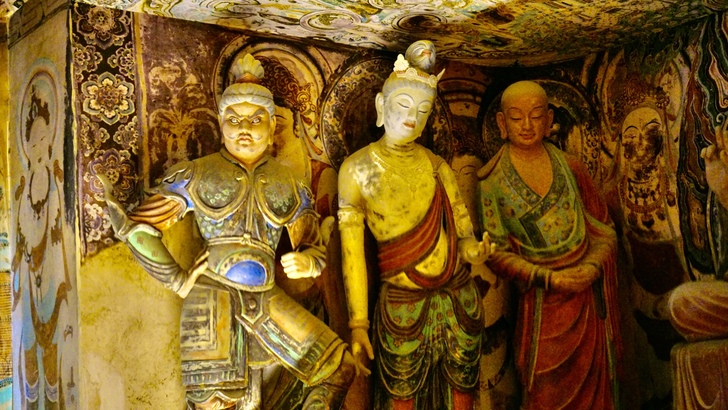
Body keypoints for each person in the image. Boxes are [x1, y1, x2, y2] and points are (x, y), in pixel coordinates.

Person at [99, 54, 355, 410]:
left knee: (339, 368)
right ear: (221, 125)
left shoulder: (288, 183)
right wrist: (177, 280)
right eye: (234, 120)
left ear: (271, 126)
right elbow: (137, 230)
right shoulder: (198, 174)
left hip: (266, 298)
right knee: (216, 404)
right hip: (212, 298)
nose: (244, 128)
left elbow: (313, 246)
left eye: (255, 119)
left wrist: (308, 262)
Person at [337, 40, 492, 410]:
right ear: (381, 106)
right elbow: (352, 254)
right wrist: (358, 323)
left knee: (462, 392)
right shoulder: (356, 170)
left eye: (423, 111)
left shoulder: (437, 166)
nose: (413, 117)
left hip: (458, 298)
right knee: (401, 394)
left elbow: (463, 234)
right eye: (403, 105)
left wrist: (475, 251)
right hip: (402, 303)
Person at [476, 81, 622, 409]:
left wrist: (592, 266)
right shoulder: (492, 181)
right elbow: (496, 252)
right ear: (501, 123)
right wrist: (549, 278)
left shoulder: (571, 167)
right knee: (543, 388)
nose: (527, 125)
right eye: (517, 118)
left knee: (597, 391)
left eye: (536, 115)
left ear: (549, 119)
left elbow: (604, 230)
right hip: (541, 304)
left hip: (587, 300)